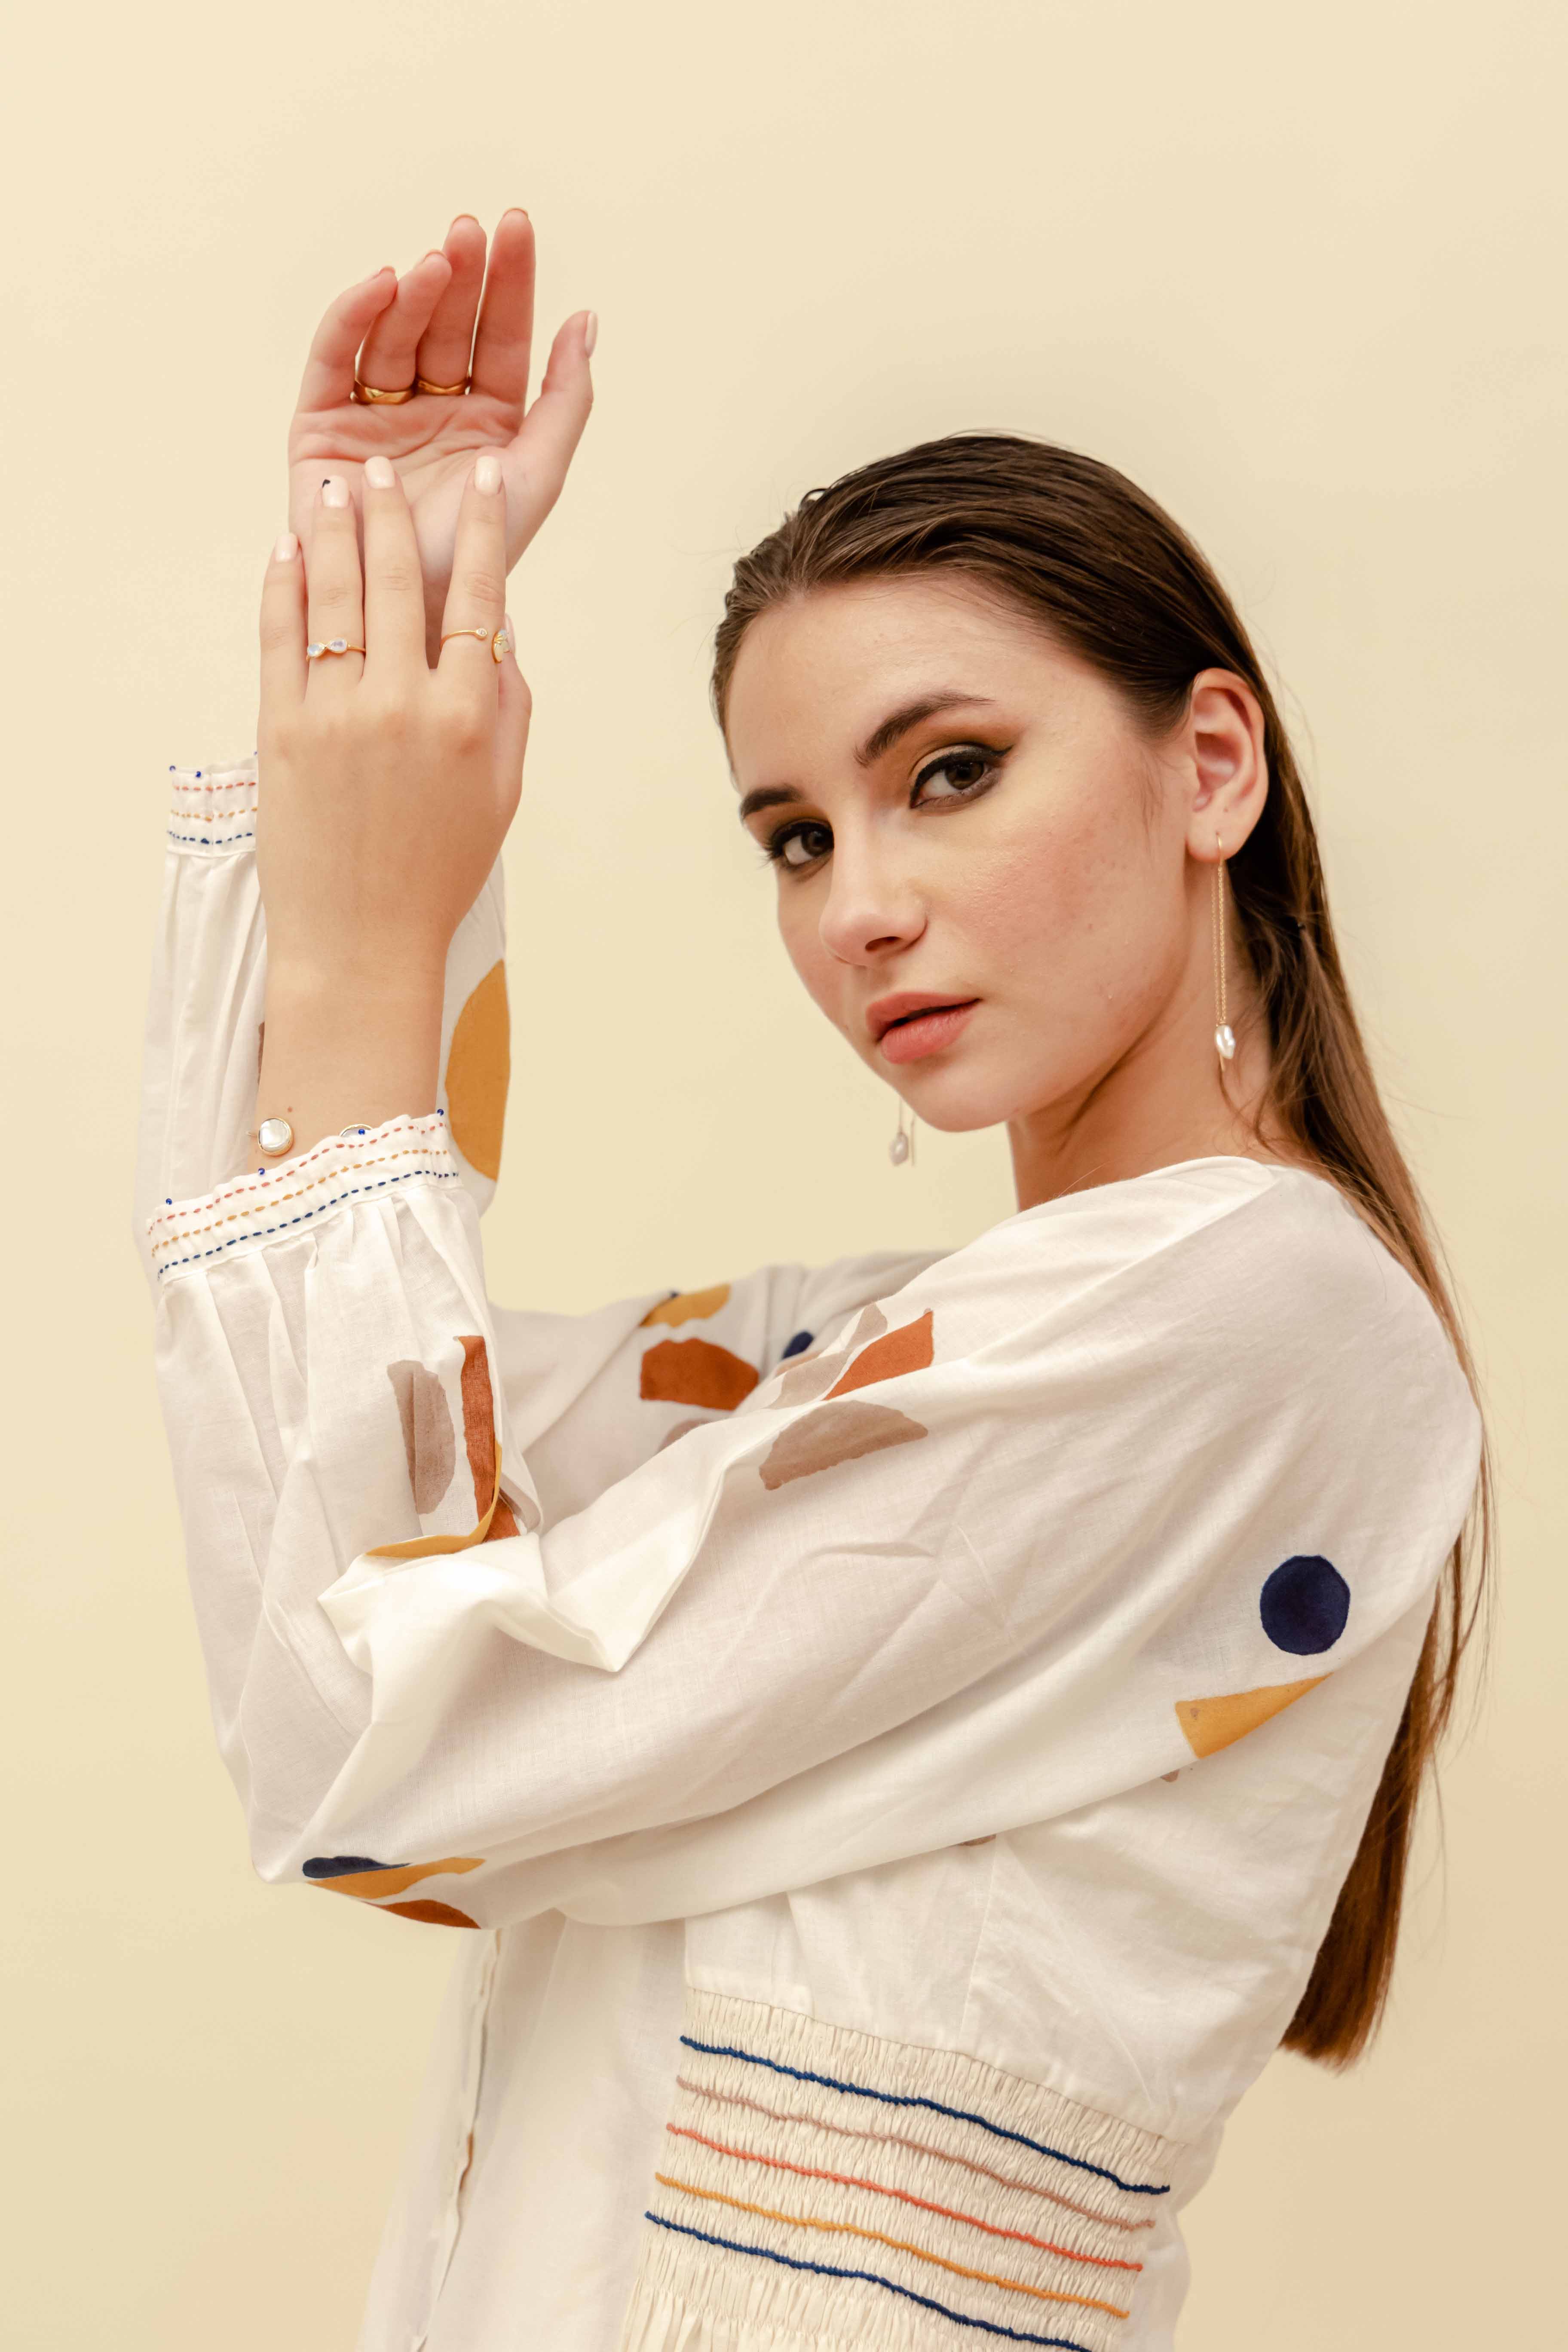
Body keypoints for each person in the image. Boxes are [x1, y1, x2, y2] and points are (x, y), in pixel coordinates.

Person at [136, 211, 1487, 2352]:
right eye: (795, 837)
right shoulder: (855, 1362)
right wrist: (358, 741)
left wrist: (371, 948)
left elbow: (379, 1753)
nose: (861, 905)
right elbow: (336, 1475)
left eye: (950, 774)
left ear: (1210, 765)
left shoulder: (1259, 1323)